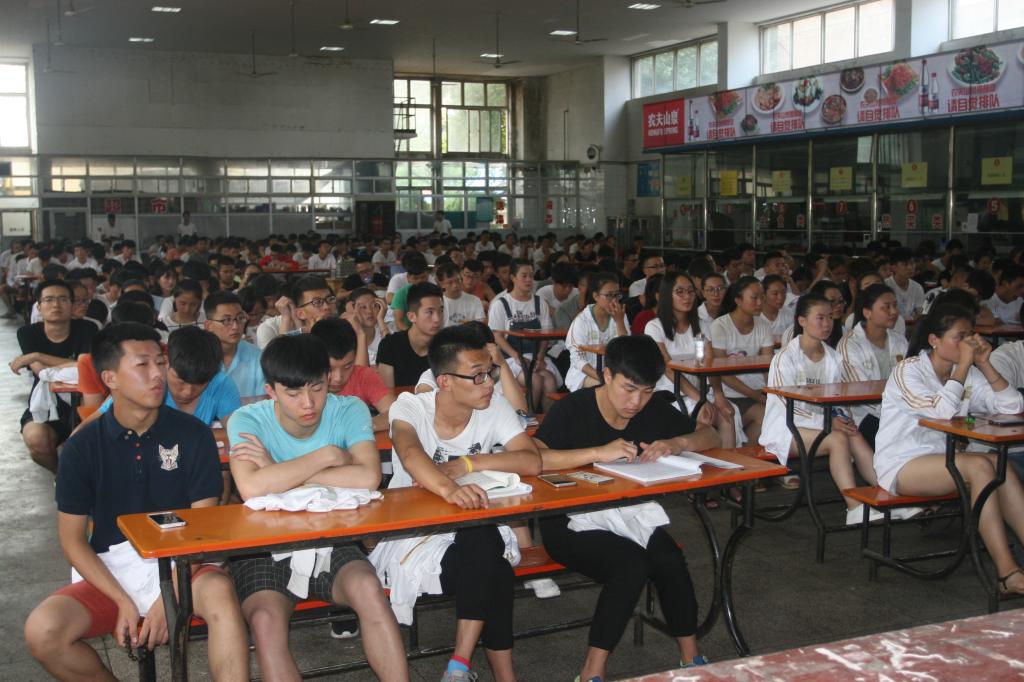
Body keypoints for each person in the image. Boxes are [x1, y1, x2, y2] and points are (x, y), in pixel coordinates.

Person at [24, 323, 249, 681]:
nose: (158, 373)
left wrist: (169, 598)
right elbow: (71, 540)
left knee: (221, 593)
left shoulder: (194, 435)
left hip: (182, 564)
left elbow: (203, 529)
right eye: (143, 365)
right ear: (109, 378)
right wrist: (120, 600)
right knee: (43, 630)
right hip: (112, 569)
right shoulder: (82, 447)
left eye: (160, 362)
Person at [532, 335, 717, 680]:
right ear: (607, 375)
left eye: (647, 391)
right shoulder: (573, 409)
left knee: (669, 558)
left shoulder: (652, 408)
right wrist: (597, 453)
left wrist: (677, 443)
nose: (636, 402)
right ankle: (592, 671)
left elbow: (710, 436)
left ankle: (691, 658)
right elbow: (534, 458)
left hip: (627, 516)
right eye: (629, 389)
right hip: (569, 522)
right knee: (630, 565)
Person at [226, 334, 409, 681]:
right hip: (263, 545)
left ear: (328, 380)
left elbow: (368, 477)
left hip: (332, 536)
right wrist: (327, 456)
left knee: (370, 590)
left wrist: (277, 472)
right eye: (293, 394)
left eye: (317, 388)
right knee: (265, 621)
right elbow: (251, 488)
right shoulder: (245, 420)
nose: (308, 403)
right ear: (271, 391)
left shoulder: (349, 408)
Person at [370, 325, 542, 682]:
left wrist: (469, 463)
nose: (489, 383)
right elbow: (410, 453)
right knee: (493, 564)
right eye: (477, 376)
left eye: (490, 373)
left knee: (481, 536)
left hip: (474, 531)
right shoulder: (411, 407)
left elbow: (531, 460)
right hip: (417, 533)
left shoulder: (493, 407)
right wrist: (448, 489)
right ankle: (484, 673)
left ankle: (460, 667)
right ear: (445, 381)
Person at [873, 303, 1024, 594]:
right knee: (981, 466)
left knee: (999, 465)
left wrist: (984, 364)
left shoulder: (966, 372)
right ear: (934, 340)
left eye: (971, 335)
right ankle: (1007, 572)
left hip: (947, 460)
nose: (969, 343)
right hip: (902, 464)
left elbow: (1013, 405)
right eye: (960, 336)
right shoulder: (908, 371)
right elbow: (941, 411)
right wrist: (965, 366)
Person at [761, 294, 881, 525]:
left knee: (853, 434)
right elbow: (786, 404)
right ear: (802, 321)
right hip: (785, 428)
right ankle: (854, 507)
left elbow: (835, 400)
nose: (827, 324)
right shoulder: (785, 358)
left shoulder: (833, 358)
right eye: (820, 318)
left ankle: (887, 496)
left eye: (830, 318)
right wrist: (829, 422)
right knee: (837, 439)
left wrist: (840, 418)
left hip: (820, 426)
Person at [13, 279, 98, 473]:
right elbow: (41, 371)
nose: (56, 305)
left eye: (63, 299)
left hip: (86, 399)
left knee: (90, 444)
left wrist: (37, 355)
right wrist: (68, 364)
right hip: (46, 402)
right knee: (36, 440)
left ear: (72, 304)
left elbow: (86, 365)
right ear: (39, 307)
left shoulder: (88, 329)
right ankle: (62, 476)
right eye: (49, 299)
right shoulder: (28, 333)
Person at [647, 273, 740, 448]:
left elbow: (710, 364)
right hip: (669, 393)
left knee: (726, 413)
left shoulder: (702, 325)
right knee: (704, 415)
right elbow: (669, 369)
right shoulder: (654, 327)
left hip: (698, 391)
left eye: (690, 291)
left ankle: (729, 463)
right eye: (680, 292)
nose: (687, 296)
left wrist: (718, 395)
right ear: (667, 295)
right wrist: (700, 399)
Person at [836, 284, 908, 446]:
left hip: (898, 411)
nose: (894, 312)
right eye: (886, 307)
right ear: (867, 312)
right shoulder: (850, 345)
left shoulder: (900, 340)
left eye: (895, 306)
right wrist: (897, 414)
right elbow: (860, 393)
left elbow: (908, 382)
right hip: (862, 415)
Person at [489, 260, 560, 411]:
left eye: (531, 276)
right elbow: (497, 336)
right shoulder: (500, 304)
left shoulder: (540, 302)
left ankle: (548, 421)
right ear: (513, 278)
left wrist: (540, 357)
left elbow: (545, 335)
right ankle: (527, 418)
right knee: (534, 380)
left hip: (535, 357)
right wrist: (517, 357)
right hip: (510, 358)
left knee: (550, 381)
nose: (529, 280)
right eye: (524, 276)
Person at [311, 317, 396, 431]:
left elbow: (396, 412)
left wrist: (363, 426)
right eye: (329, 369)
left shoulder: (363, 376)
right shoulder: (298, 383)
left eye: (347, 367)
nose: (338, 378)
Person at [564, 272, 628, 392]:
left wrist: (619, 322)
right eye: (609, 295)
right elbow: (577, 359)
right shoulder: (582, 320)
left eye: (617, 295)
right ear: (596, 296)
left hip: (613, 373)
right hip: (584, 374)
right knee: (610, 388)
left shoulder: (620, 316)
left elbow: (625, 350)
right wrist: (602, 377)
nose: (614, 300)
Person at [377, 282, 444, 387]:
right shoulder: (390, 346)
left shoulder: (447, 347)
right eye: (430, 312)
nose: (437, 319)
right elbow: (387, 392)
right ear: (412, 317)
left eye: (441, 311)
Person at [203, 290, 265, 400]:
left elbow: (263, 402)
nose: (235, 326)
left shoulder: (258, 356)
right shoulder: (197, 357)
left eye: (240, 318)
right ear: (208, 325)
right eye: (227, 320)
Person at [343, 287, 389, 364]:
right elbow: (362, 370)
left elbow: (393, 358)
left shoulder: (385, 330)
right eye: (363, 307)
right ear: (351, 310)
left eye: (374, 306)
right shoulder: (345, 339)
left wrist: (381, 320)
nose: (369, 311)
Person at [436, 261, 486, 327]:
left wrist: (471, 325)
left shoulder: (475, 300)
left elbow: (481, 326)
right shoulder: (437, 302)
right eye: (450, 282)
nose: (455, 285)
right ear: (441, 284)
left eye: (458, 280)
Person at [885, 248, 925, 321]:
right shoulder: (885, 285)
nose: (910, 268)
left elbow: (919, 312)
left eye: (912, 263)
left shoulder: (917, 288)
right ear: (893, 267)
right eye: (904, 264)